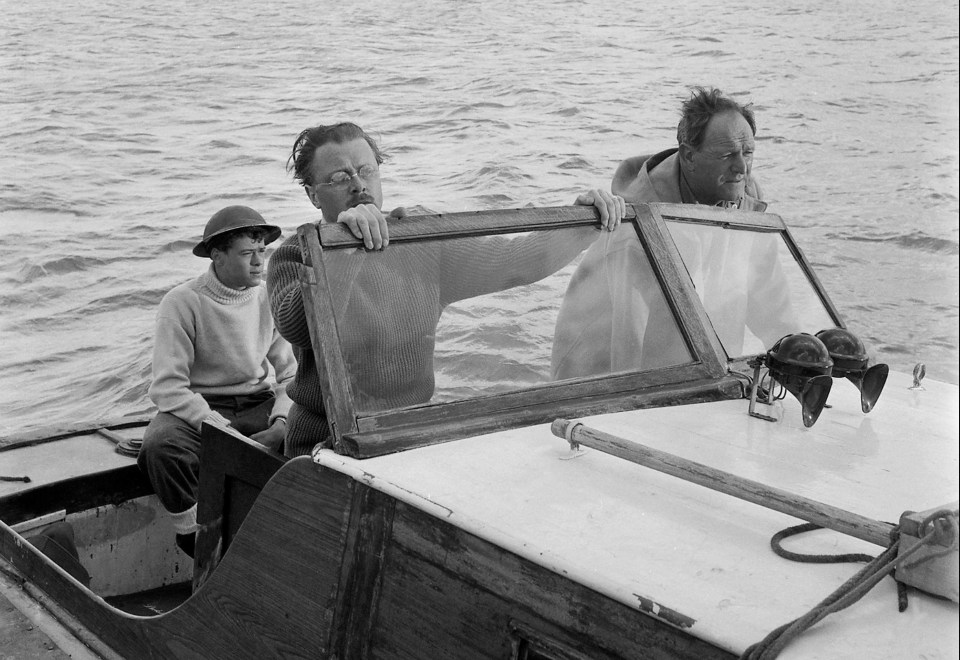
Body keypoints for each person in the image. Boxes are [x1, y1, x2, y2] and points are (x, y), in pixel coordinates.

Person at [268, 122, 625, 457]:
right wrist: (343, 249)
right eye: (340, 177)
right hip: (323, 443)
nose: (358, 185)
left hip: (408, 433)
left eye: (366, 170)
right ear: (314, 195)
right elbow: (301, 327)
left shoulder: (419, 239)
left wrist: (584, 223)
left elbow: (515, 263)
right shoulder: (293, 253)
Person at [551, 87, 796, 380]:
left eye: (748, 153)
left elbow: (771, 307)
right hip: (598, 377)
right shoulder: (634, 233)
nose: (742, 168)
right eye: (728, 155)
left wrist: (799, 360)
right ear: (689, 156)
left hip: (701, 374)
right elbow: (627, 346)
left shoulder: (745, 206)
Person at [138, 205, 297, 556]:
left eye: (262, 251)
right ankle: (195, 539)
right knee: (161, 448)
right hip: (199, 407)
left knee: (312, 435)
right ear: (218, 257)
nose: (259, 262)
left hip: (258, 403)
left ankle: (284, 541)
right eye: (247, 253)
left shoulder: (270, 296)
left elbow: (290, 373)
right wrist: (216, 427)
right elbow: (167, 387)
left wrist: (283, 421)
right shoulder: (181, 303)